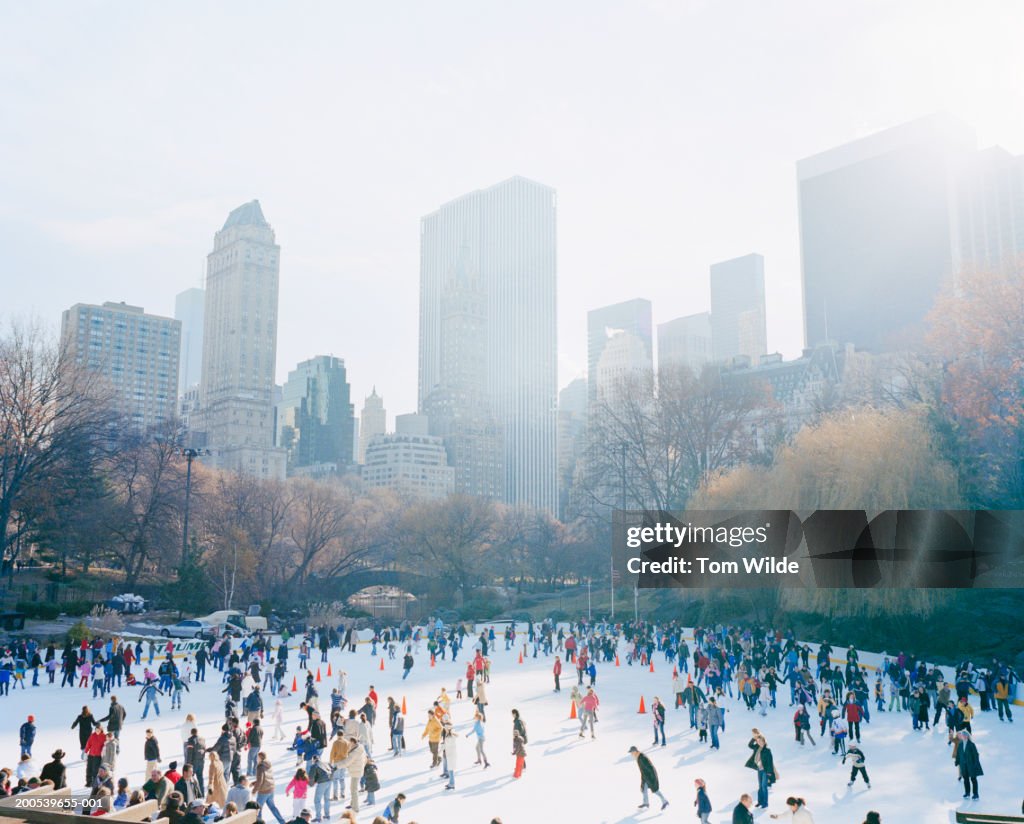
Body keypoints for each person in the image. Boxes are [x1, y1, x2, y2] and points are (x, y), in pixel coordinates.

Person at [629, 746, 669, 810]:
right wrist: (642, 782)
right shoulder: (638, 757)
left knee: (655, 790)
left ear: (635, 751)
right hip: (646, 777)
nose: (631, 754)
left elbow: (650, 768)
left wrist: (652, 779)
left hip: (651, 777)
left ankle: (665, 801)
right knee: (644, 789)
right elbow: (643, 771)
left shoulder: (642, 757)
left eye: (631, 752)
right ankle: (646, 803)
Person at [744, 730, 776, 810]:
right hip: (759, 770)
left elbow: (770, 762)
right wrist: (754, 738)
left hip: (765, 771)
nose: (759, 743)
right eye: (758, 741)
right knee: (760, 786)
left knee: (764, 786)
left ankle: (765, 803)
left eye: (761, 741)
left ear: (764, 741)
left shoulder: (767, 750)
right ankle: (760, 801)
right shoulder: (757, 747)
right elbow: (750, 745)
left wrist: (769, 772)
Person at [254, 752, 286, 824]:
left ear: (260, 758)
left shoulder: (260, 767)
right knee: (273, 807)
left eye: (257, 757)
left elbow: (260, 780)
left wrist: (254, 790)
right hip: (271, 789)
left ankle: (259, 823)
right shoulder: (268, 765)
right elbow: (266, 777)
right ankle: (282, 822)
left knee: (258, 809)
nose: (256, 759)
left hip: (264, 791)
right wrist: (254, 783)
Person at [953, 730, 983, 800]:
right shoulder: (960, 745)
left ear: (967, 736)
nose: (962, 736)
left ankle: (975, 794)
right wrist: (957, 761)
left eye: (964, 735)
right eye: (962, 735)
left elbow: (976, 755)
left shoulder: (971, 744)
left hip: (971, 765)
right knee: (966, 779)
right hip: (964, 766)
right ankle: (967, 793)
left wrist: (975, 764)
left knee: (973, 779)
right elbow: (958, 755)